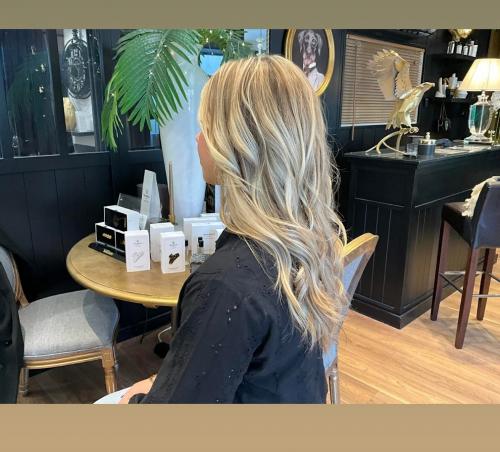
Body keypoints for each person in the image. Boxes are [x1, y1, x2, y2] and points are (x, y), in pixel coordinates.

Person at [119, 54, 347, 404]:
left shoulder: (226, 285)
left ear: (237, 146)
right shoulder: (301, 242)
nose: (198, 139)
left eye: (206, 128)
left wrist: (133, 401)